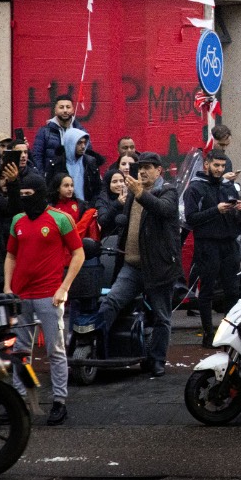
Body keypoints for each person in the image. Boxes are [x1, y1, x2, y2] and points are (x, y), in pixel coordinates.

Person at [4, 171, 84, 426]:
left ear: (39, 194)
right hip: (21, 295)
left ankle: (59, 401)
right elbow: (11, 256)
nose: (25, 199)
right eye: (22, 195)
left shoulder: (61, 219)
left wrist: (63, 288)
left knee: (55, 350)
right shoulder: (18, 220)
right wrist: (8, 286)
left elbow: (78, 253)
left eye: (29, 195)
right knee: (20, 352)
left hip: (49, 295)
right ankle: (21, 401)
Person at [97, 152, 180, 377]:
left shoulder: (168, 191)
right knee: (110, 302)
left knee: (162, 316)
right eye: (140, 167)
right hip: (131, 266)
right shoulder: (134, 194)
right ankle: (97, 349)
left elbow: (164, 209)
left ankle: (157, 360)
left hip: (159, 267)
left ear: (159, 170)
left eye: (148, 167)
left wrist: (140, 193)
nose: (142, 171)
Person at [183, 150, 241, 346]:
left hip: (229, 243)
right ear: (206, 165)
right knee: (207, 290)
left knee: (232, 290)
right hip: (207, 244)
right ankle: (208, 334)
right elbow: (191, 219)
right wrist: (216, 210)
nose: (220, 170)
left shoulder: (228, 187)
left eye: (222, 166)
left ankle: (230, 333)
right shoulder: (195, 188)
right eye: (216, 165)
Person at [30, 94, 86, 177]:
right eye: (61, 107)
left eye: (68, 107)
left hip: (75, 178)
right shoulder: (44, 132)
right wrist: (42, 177)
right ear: (55, 110)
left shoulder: (80, 131)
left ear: (73, 110)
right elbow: (37, 156)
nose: (65, 110)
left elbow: (87, 155)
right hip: (52, 179)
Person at [57, 127, 100, 204]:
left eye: (85, 142)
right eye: (79, 143)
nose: (83, 146)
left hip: (87, 208)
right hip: (63, 209)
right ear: (70, 143)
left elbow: (97, 189)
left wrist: (92, 207)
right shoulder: (57, 164)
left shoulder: (90, 162)